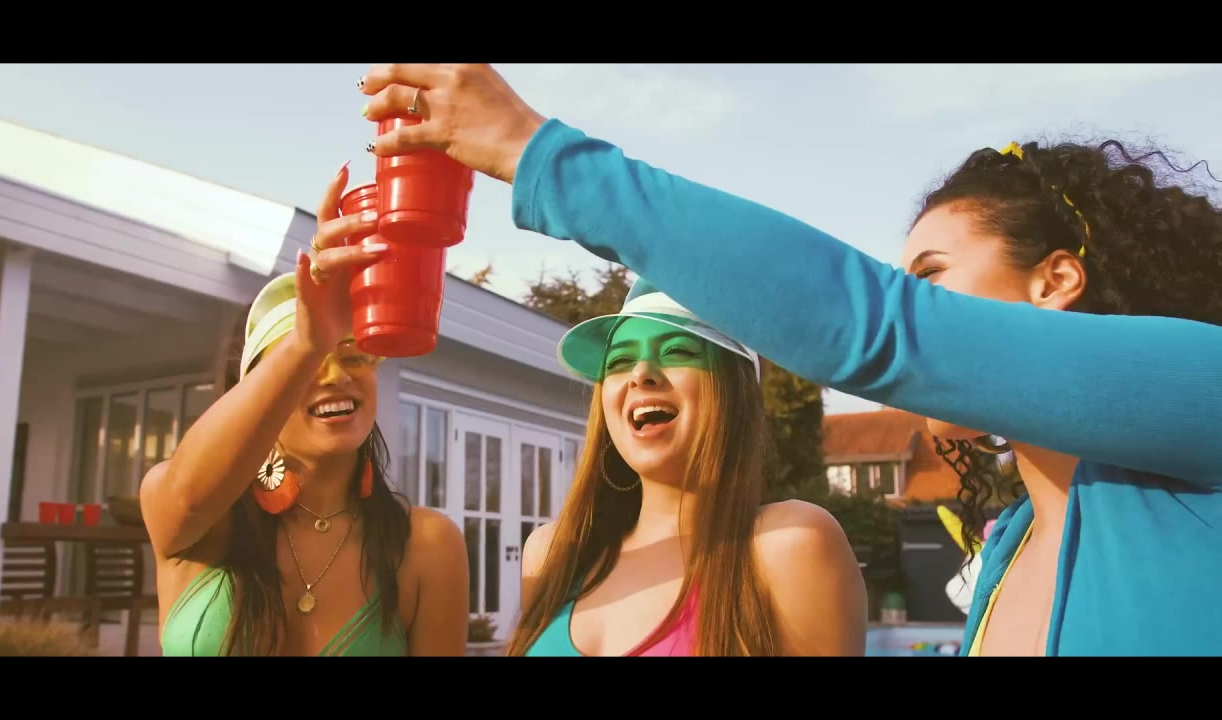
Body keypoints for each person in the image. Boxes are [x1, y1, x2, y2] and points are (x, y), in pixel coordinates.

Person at [355, 63, 1222, 656]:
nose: (914, 306)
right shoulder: (1011, 550)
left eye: (929, 279)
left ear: (1055, 280)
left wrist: (533, 152)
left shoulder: (1203, 392)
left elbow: (872, 323)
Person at [140, 163, 469, 656]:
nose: (335, 375)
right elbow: (187, 496)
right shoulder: (199, 518)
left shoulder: (425, 544)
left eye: (353, 356)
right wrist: (306, 342)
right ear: (257, 392)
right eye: (307, 364)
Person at [505, 279, 865, 656]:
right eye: (619, 361)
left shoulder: (790, 543)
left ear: (734, 389)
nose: (640, 373)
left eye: (676, 350)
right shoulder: (554, 553)